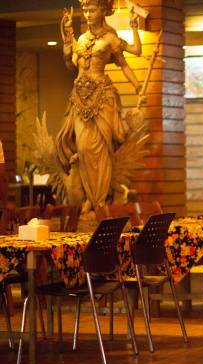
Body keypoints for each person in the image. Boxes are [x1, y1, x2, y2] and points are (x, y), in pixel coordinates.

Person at [57, 0, 143, 212]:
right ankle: (88, 195)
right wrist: (68, 40)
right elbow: (71, 65)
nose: (87, 14)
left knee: (100, 149)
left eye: (92, 10)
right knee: (83, 148)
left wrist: (137, 86)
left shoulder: (110, 37)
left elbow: (134, 54)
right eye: (85, 10)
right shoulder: (82, 39)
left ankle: (100, 199)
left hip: (102, 97)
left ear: (103, 10)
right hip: (79, 98)